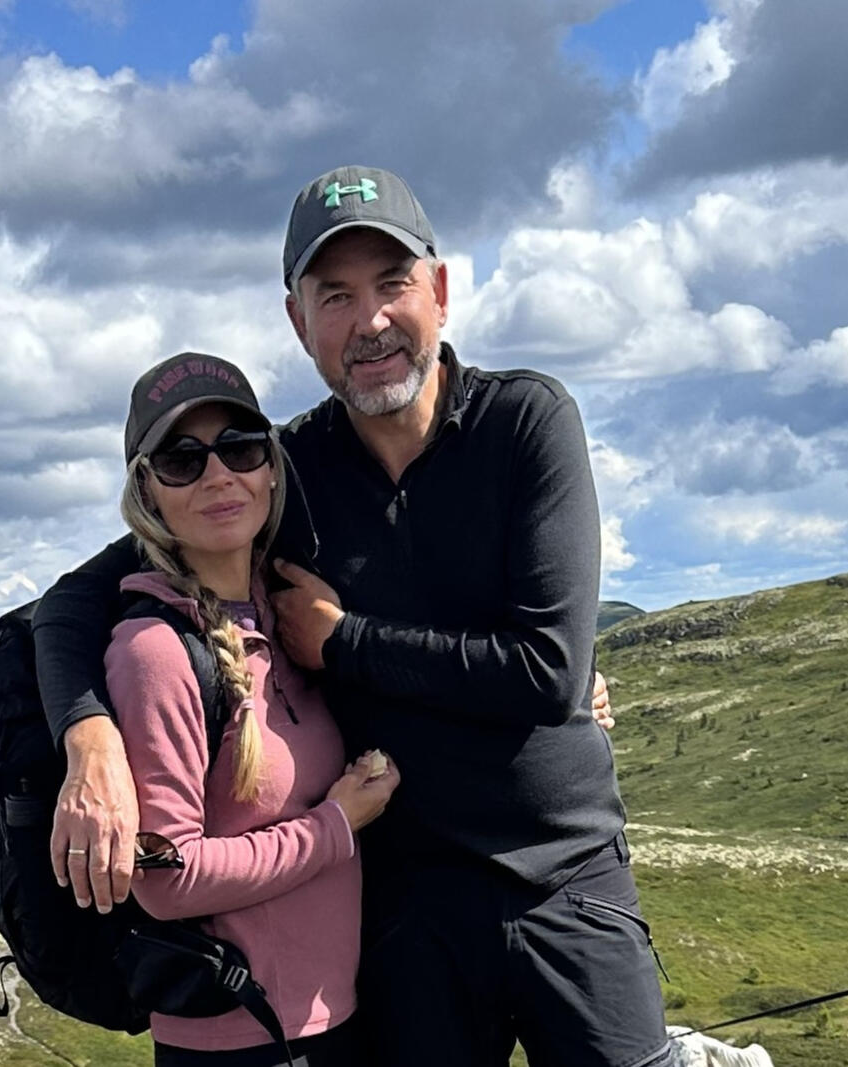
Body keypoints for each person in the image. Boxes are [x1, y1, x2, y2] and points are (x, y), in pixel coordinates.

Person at [33, 165, 670, 1066]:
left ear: (439, 292)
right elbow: (71, 600)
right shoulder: (280, 468)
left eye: (391, 283)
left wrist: (346, 642)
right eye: (334, 295)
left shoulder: (525, 421)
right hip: (406, 903)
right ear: (299, 323)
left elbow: (546, 673)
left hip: (566, 877)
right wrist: (89, 735)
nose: (368, 320)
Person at [105, 351, 398, 1065]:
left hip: (334, 1019)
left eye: (238, 448)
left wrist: (567, 688)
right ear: (147, 490)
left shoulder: (293, 612)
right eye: (182, 460)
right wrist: (333, 825)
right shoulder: (155, 651)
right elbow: (167, 879)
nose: (218, 475)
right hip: (240, 1038)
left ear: (270, 468)